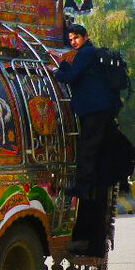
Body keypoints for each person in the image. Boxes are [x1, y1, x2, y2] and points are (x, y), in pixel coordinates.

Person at [53, 22, 122, 255]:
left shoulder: (87, 53)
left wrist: (57, 69)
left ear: (85, 36)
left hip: (95, 110)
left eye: (76, 38)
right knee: (90, 150)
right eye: (70, 38)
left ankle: (82, 187)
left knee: (87, 149)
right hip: (99, 109)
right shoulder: (86, 53)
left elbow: (71, 76)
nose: (73, 41)